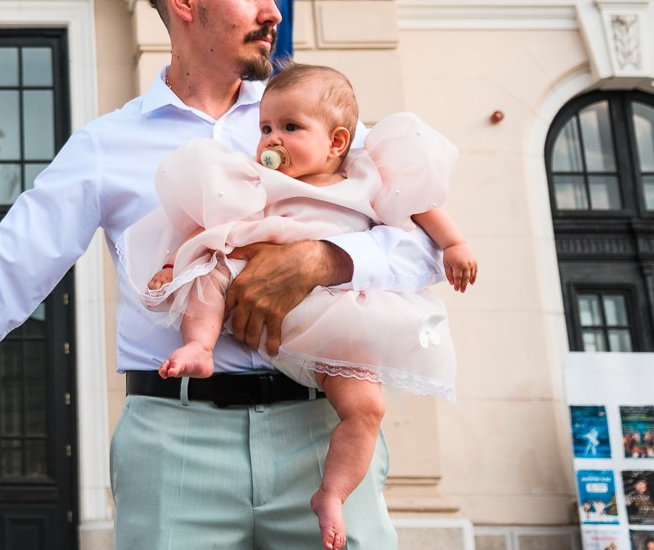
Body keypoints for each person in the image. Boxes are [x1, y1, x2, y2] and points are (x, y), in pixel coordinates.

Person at [0, 0, 445, 547]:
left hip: (326, 430)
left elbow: (426, 247)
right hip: (175, 445)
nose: (273, 11)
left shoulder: (320, 123)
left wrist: (324, 259)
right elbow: (2, 276)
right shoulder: (105, 146)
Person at [130, 63, 472, 549]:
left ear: (336, 142)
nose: (273, 139)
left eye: (291, 128)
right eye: (266, 127)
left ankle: (332, 492)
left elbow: (421, 208)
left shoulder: (367, 174)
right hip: (255, 282)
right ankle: (199, 345)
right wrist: (173, 264)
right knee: (213, 267)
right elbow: (206, 220)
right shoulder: (255, 177)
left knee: (367, 408)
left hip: (335, 320)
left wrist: (455, 245)